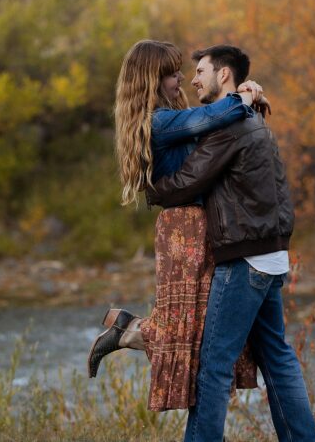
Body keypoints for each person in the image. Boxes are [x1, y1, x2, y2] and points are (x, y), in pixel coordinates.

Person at [146, 45, 315, 442]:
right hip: (272, 255)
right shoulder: (251, 120)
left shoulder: (229, 128)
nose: (194, 79)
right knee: (277, 358)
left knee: (213, 366)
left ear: (224, 76)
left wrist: (151, 189)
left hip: (245, 259)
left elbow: (187, 182)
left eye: (201, 71)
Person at [87, 40, 261, 410]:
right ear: (152, 79)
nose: (179, 78)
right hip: (185, 230)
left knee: (198, 329)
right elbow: (213, 117)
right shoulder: (159, 121)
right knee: (191, 330)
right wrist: (243, 95)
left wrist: (244, 95)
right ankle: (131, 332)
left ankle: (129, 329)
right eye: (170, 73)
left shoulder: (170, 117)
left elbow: (215, 122)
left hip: (198, 226)